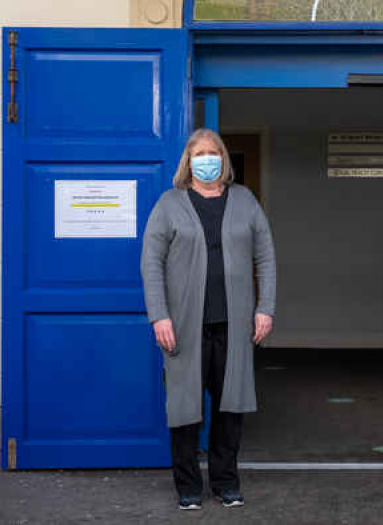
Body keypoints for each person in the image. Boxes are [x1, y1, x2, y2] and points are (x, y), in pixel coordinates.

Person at [141, 128, 276, 511]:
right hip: (184, 326)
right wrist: (159, 316)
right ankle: (187, 486)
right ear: (188, 160)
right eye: (199, 153)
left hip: (233, 325)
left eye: (212, 152)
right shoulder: (170, 204)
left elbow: (265, 257)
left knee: (228, 406)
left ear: (223, 158)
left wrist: (265, 307)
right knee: (184, 408)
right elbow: (151, 264)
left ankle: (225, 482)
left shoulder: (245, 201)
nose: (206, 159)